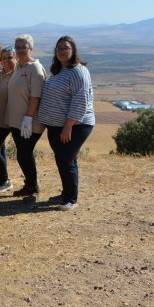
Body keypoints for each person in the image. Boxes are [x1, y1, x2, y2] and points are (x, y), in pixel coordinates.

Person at [38, 36, 95, 211]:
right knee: (64, 160)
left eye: (66, 48)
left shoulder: (78, 71)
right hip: (57, 126)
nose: (62, 51)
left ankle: (71, 199)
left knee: (66, 159)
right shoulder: (60, 71)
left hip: (75, 125)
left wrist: (69, 125)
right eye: (59, 48)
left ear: (73, 50)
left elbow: (80, 100)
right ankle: (66, 193)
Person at [6, 34, 47, 197]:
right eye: (18, 47)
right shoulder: (19, 67)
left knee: (24, 154)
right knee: (23, 154)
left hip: (29, 122)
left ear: (31, 49)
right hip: (18, 122)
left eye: (24, 47)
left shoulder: (35, 68)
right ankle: (30, 184)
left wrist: (28, 118)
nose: (20, 50)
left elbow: (36, 95)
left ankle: (32, 186)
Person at [0, 45, 17, 192]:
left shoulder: (19, 75)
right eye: (4, 58)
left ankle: (5, 180)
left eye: (10, 57)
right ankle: (3, 180)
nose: (7, 61)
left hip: (8, 120)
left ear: (15, 58)